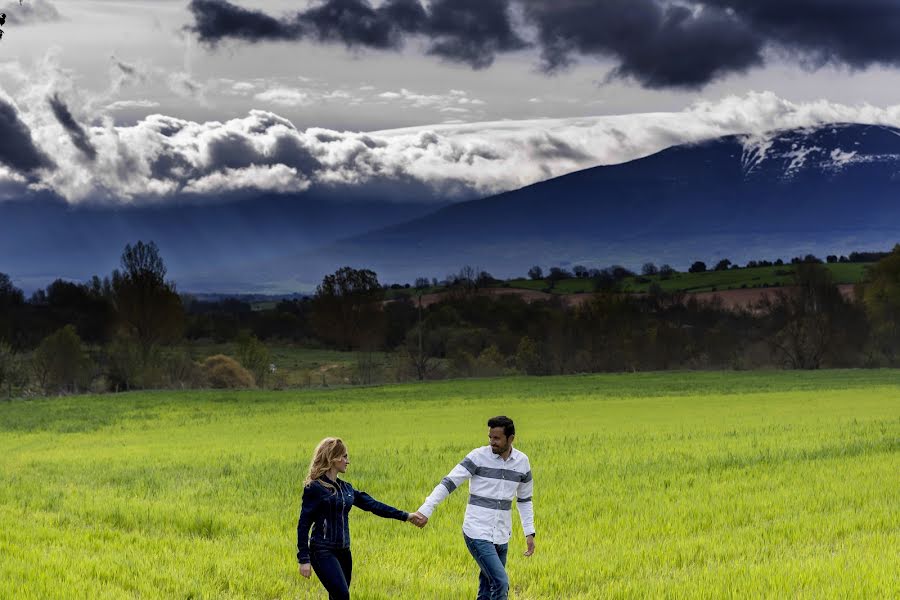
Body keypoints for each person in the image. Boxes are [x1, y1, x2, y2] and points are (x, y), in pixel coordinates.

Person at [414, 416, 535, 600]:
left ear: (511, 439)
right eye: (490, 437)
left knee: (487, 589)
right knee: (501, 583)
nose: (492, 442)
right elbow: (449, 482)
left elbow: (525, 500)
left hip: (502, 534)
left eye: (497, 438)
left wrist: (529, 532)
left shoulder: (522, 462)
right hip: (477, 532)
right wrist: (425, 509)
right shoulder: (478, 457)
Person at [296, 437, 426, 600]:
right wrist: (304, 558)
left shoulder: (346, 488)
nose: (347, 461)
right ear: (332, 458)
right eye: (344, 456)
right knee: (342, 595)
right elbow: (303, 524)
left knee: (337, 596)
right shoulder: (314, 488)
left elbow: (373, 505)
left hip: (344, 552)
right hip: (322, 550)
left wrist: (407, 516)